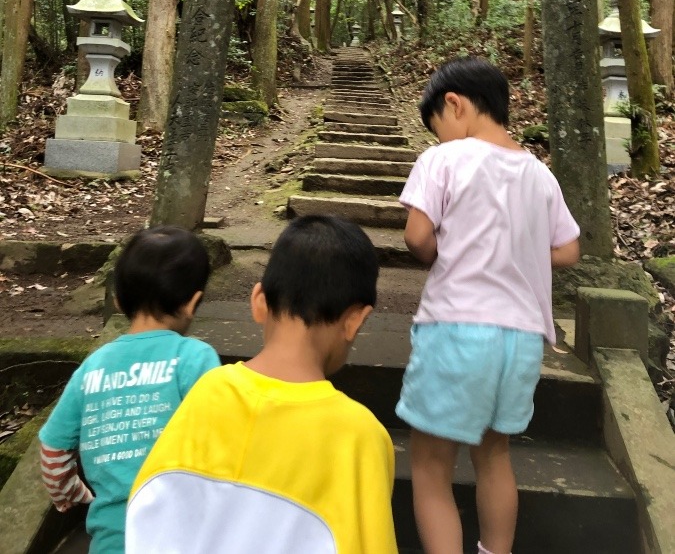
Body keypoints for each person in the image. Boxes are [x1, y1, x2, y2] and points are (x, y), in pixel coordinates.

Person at [126, 215, 398, 554]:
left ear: (258, 301)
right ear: (356, 320)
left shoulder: (207, 393)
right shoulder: (360, 436)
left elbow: (149, 513)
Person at [395, 57, 580, 554]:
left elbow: (417, 236)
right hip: (521, 340)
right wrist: (513, 250)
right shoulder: (539, 174)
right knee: (494, 457)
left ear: (453, 104)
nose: (439, 140)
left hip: (456, 328)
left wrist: (445, 248)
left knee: (432, 466)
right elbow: (568, 249)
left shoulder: (443, 160)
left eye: (438, 129)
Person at [39, 226, 221, 554]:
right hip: (187, 534)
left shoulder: (93, 366)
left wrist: (72, 496)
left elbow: (53, 449)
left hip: (111, 538)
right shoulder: (195, 358)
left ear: (119, 300)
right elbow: (224, 441)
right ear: (194, 302)